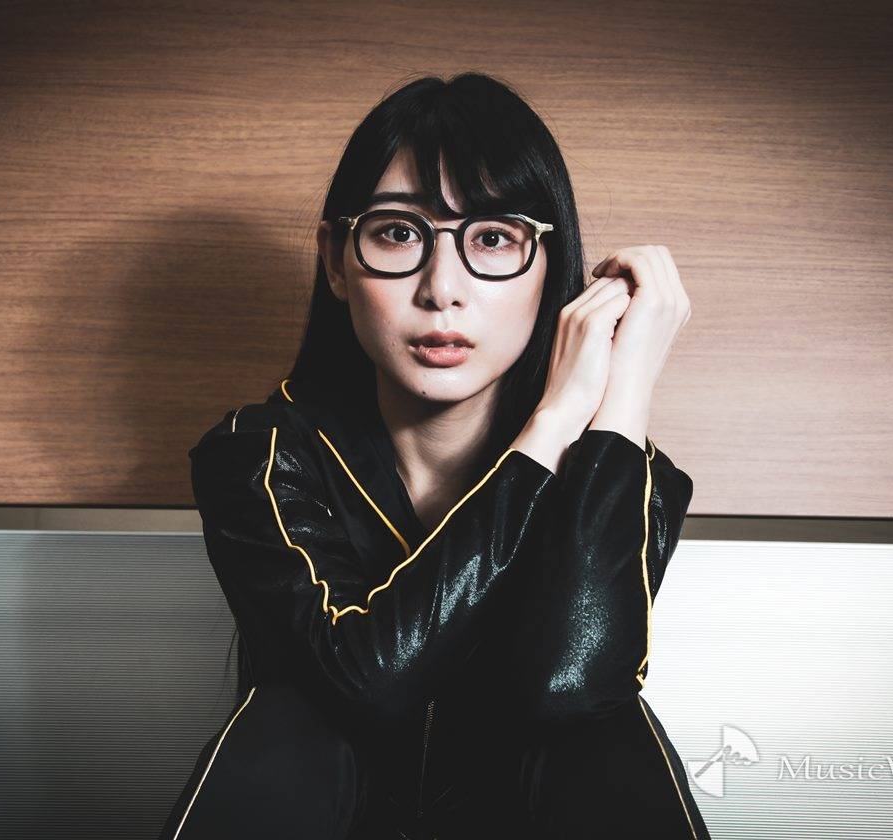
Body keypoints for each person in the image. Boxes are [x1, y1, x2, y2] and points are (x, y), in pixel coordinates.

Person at [158, 72, 709, 840]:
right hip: (330, 815)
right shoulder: (261, 455)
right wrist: (553, 419)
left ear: (550, 268)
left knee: (605, 736)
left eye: (493, 238)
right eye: (398, 233)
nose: (442, 289)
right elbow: (364, 685)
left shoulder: (617, 475)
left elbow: (572, 690)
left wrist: (623, 388)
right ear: (337, 261)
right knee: (289, 721)